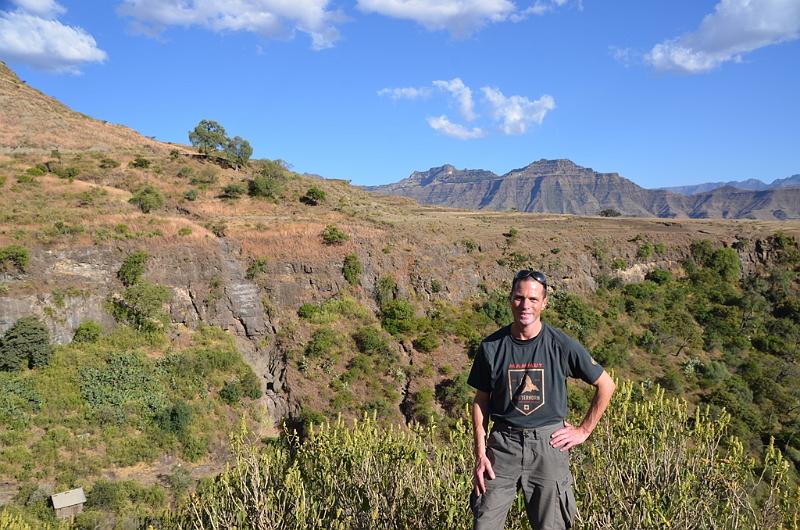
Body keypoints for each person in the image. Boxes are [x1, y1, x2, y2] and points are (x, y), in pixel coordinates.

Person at [468, 270, 616, 529]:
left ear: (544, 303)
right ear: (510, 299)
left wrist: (584, 430)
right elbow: (481, 400)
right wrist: (481, 453)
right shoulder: (491, 347)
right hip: (502, 446)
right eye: (519, 297)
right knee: (485, 522)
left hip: (548, 446)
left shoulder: (560, 344)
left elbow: (606, 384)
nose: (525, 305)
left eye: (533, 299)